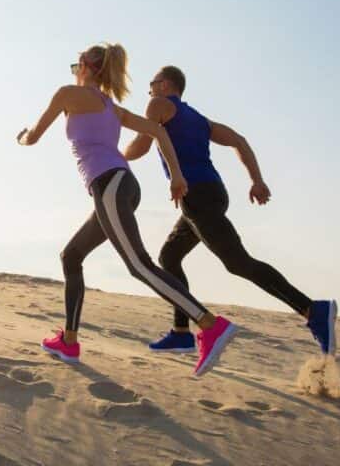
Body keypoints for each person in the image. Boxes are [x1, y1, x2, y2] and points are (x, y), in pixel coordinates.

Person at [17, 44, 239, 376]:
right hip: (120, 187)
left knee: (139, 265)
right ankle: (69, 340)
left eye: (75, 64)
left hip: (110, 186)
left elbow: (33, 137)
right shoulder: (112, 108)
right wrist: (176, 174)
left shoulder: (68, 94)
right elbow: (158, 132)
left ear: (87, 67)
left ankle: (209, 325)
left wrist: (22, 137)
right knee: (72, 256)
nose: (73, 70)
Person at [122, 65, 337, 356]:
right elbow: (239, 141)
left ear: (164, 84)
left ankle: (312, 309)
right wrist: (256, 180)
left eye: (151, 84)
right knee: (169, 257)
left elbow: (143, 143)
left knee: (238, 263)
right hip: (211, 194)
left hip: (196, 195)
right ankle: (181, 332)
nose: (149, 90)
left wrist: (116, 157)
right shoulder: (197, 118)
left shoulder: (158, 104)